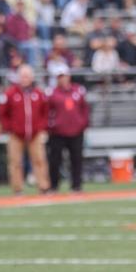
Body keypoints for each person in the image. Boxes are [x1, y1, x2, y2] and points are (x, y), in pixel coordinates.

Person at [0, 64, 50, 194]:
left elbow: (45, 112)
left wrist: (41, 127)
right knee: (15, 162)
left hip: (35, 133)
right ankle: (17, 188)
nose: (25, 79)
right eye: (22, 76)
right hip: (16, 133)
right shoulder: (10, 93)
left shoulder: (38, 93)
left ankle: (43, 186)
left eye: (27, 76)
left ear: (31, 78)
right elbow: (2, 113)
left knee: (39, 159)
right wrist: (9, 127)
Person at [45, 64, 89, 192]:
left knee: (76, 159)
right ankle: (54, 185)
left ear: (69, 76)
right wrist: (50, 125)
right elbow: (46, 111)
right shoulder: (51, 92)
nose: (62, 79)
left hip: (76, 130)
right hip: (57, 132)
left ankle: (76, 185)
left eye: (64, 76)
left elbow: (85, 109)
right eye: (60, 77)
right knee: (55, 160)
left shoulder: (78, 90)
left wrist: (83, 123)